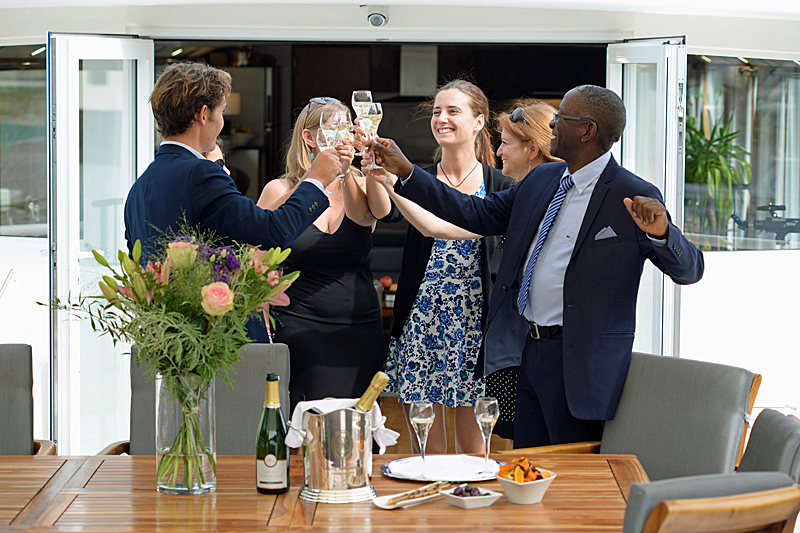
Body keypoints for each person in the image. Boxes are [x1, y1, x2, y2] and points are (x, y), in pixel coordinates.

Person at [367, 84, 704, 447]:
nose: (553, 126)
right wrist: (406, 172)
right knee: (528, 464)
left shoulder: (631, 193)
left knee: (573, 475)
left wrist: (663, 233)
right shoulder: (542, 180)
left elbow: (690, 270)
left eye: (562, 120)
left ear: (587, 131)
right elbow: (474, 213)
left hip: (582, 363)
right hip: (530, 351)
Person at [124, 62, 343, 342]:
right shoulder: (201, 172)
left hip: (171, 343)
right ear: (204, 114)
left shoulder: (140, 186)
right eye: (222, 111)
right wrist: (315, 179)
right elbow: (270, 231)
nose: (222, 122)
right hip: (218, 341)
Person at [375, 80, 513, 454]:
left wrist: (395, 183)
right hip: (422, 317)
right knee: (426, 452)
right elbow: (402, 218)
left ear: (479, 121)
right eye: (437, 111)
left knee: (475, 451)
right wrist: (386, 183)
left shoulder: (500, 185)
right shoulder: (418, 177)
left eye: (453, 111)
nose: (442, 118)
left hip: (476, 322)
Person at [256, 97, 389, 411]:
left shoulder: (358, 183)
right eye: (334, 127)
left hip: (360, 329)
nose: (343, 136)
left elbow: (376, 214)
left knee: (359, 426)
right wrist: (315, 177)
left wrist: (350, 170)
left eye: (347, 128)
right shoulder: (279, 189)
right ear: (309, 137)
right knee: (309, 424)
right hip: (299, 327)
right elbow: (256, 259)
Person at [485, 100, 561, 442]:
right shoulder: (518, 194)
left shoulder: (560, 201)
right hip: (512, 349)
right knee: (522, 445)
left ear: (532, 148)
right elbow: (453, 219)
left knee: (541, 448)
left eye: (504, 143)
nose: (498, 151)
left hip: (530, 350)